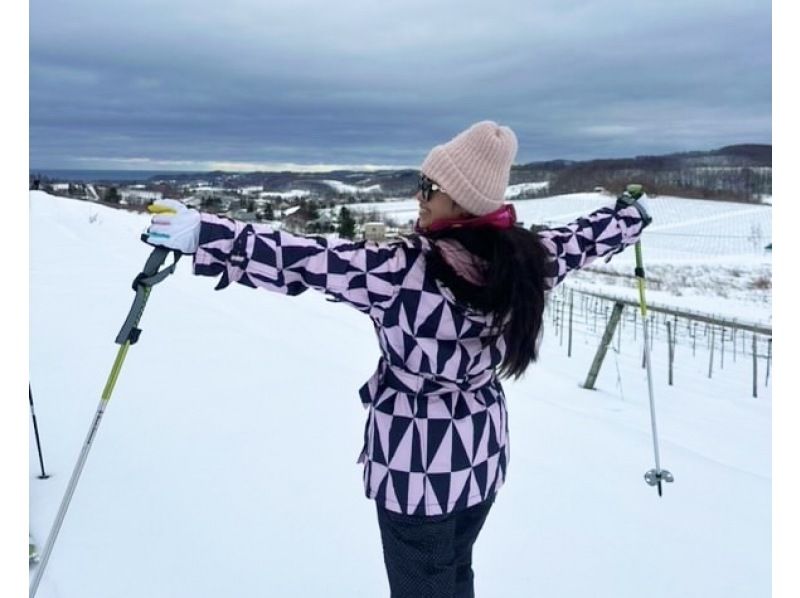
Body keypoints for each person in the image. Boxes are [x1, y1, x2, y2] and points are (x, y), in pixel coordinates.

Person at [143, 121, 651, 598]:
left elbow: (302, 259)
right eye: (421, 182)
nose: (419, 196)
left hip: (415, 471)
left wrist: (202, 234)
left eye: (429, 187)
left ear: (463, 200)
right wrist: (628, 216)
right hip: (481, 458)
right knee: (456, 571)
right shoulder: (527, 260)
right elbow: (587, 237)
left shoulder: (402, 272)